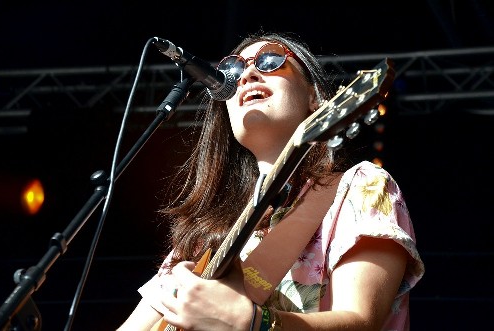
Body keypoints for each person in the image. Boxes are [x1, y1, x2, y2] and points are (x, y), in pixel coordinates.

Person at [117, 31, 425, 331]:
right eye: (232, 69)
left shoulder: (359, 187)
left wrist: (253, 323)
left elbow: (362, 321)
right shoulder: (204, 232)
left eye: (270, 61)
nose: (247, 74)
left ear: (313, 98)